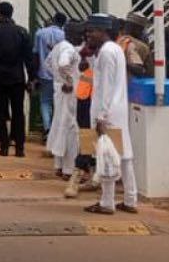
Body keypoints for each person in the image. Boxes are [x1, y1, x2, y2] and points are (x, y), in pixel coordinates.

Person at [82, 13, 138, 215]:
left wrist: (101, 117)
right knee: (124, 156)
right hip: (119, 110)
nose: (88, 34)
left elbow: (104, 87)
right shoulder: (114, 49)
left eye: (92, 30)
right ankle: (131, 199)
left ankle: (107, 202)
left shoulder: (106, 52)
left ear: (104, 31)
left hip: (106, 112)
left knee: (105, 156)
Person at [0, 2, 32, 158]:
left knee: (0, 113)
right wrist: (32, 78)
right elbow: (28, 59)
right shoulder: (22, 32)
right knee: (18, 113)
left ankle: (4, 146)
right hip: (17, 78)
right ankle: (20, 148)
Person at [45, 21, 82, 179]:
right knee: (70, 129)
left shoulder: (59, 46)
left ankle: (58, 165)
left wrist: (57, 79)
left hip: (59, 92)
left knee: (60, 126)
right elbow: (62, 64)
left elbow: (47, 64)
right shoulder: (68, 48)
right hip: (69, 93)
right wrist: (68, 81)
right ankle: (68, 169)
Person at [33, 11, 67, 135]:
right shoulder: (65, 35)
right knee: (59, 102)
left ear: (53, 19)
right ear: (64, 23)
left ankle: (47, 129)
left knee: (45, 102)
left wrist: (34, 74)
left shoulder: (40, 33)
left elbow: (36, 54)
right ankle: (57, 131)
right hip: (60, 74)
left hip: (44, 72)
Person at [118, 12, 151, 78]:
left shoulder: (116, 39)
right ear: (138, 29)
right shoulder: (141, 46)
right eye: (142, 29)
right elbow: (146, 71)